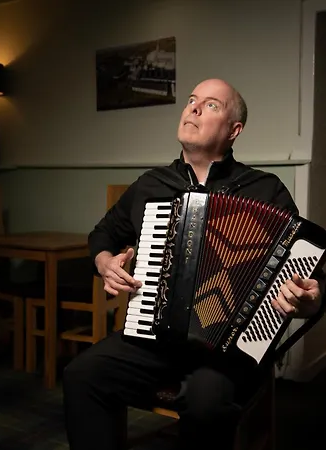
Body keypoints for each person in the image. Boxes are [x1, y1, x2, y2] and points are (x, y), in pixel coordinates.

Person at [62, 78, 324, 450]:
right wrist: (105, 263)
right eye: (191, 100)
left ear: (234, 131)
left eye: (211, 104)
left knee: (207, 404)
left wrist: (308, 300)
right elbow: (102, 235)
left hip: (228, 353)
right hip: (152, 339)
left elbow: (309, 281)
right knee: (81, 374)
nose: (194, 108)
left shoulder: (265, 190)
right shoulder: (152, 185)